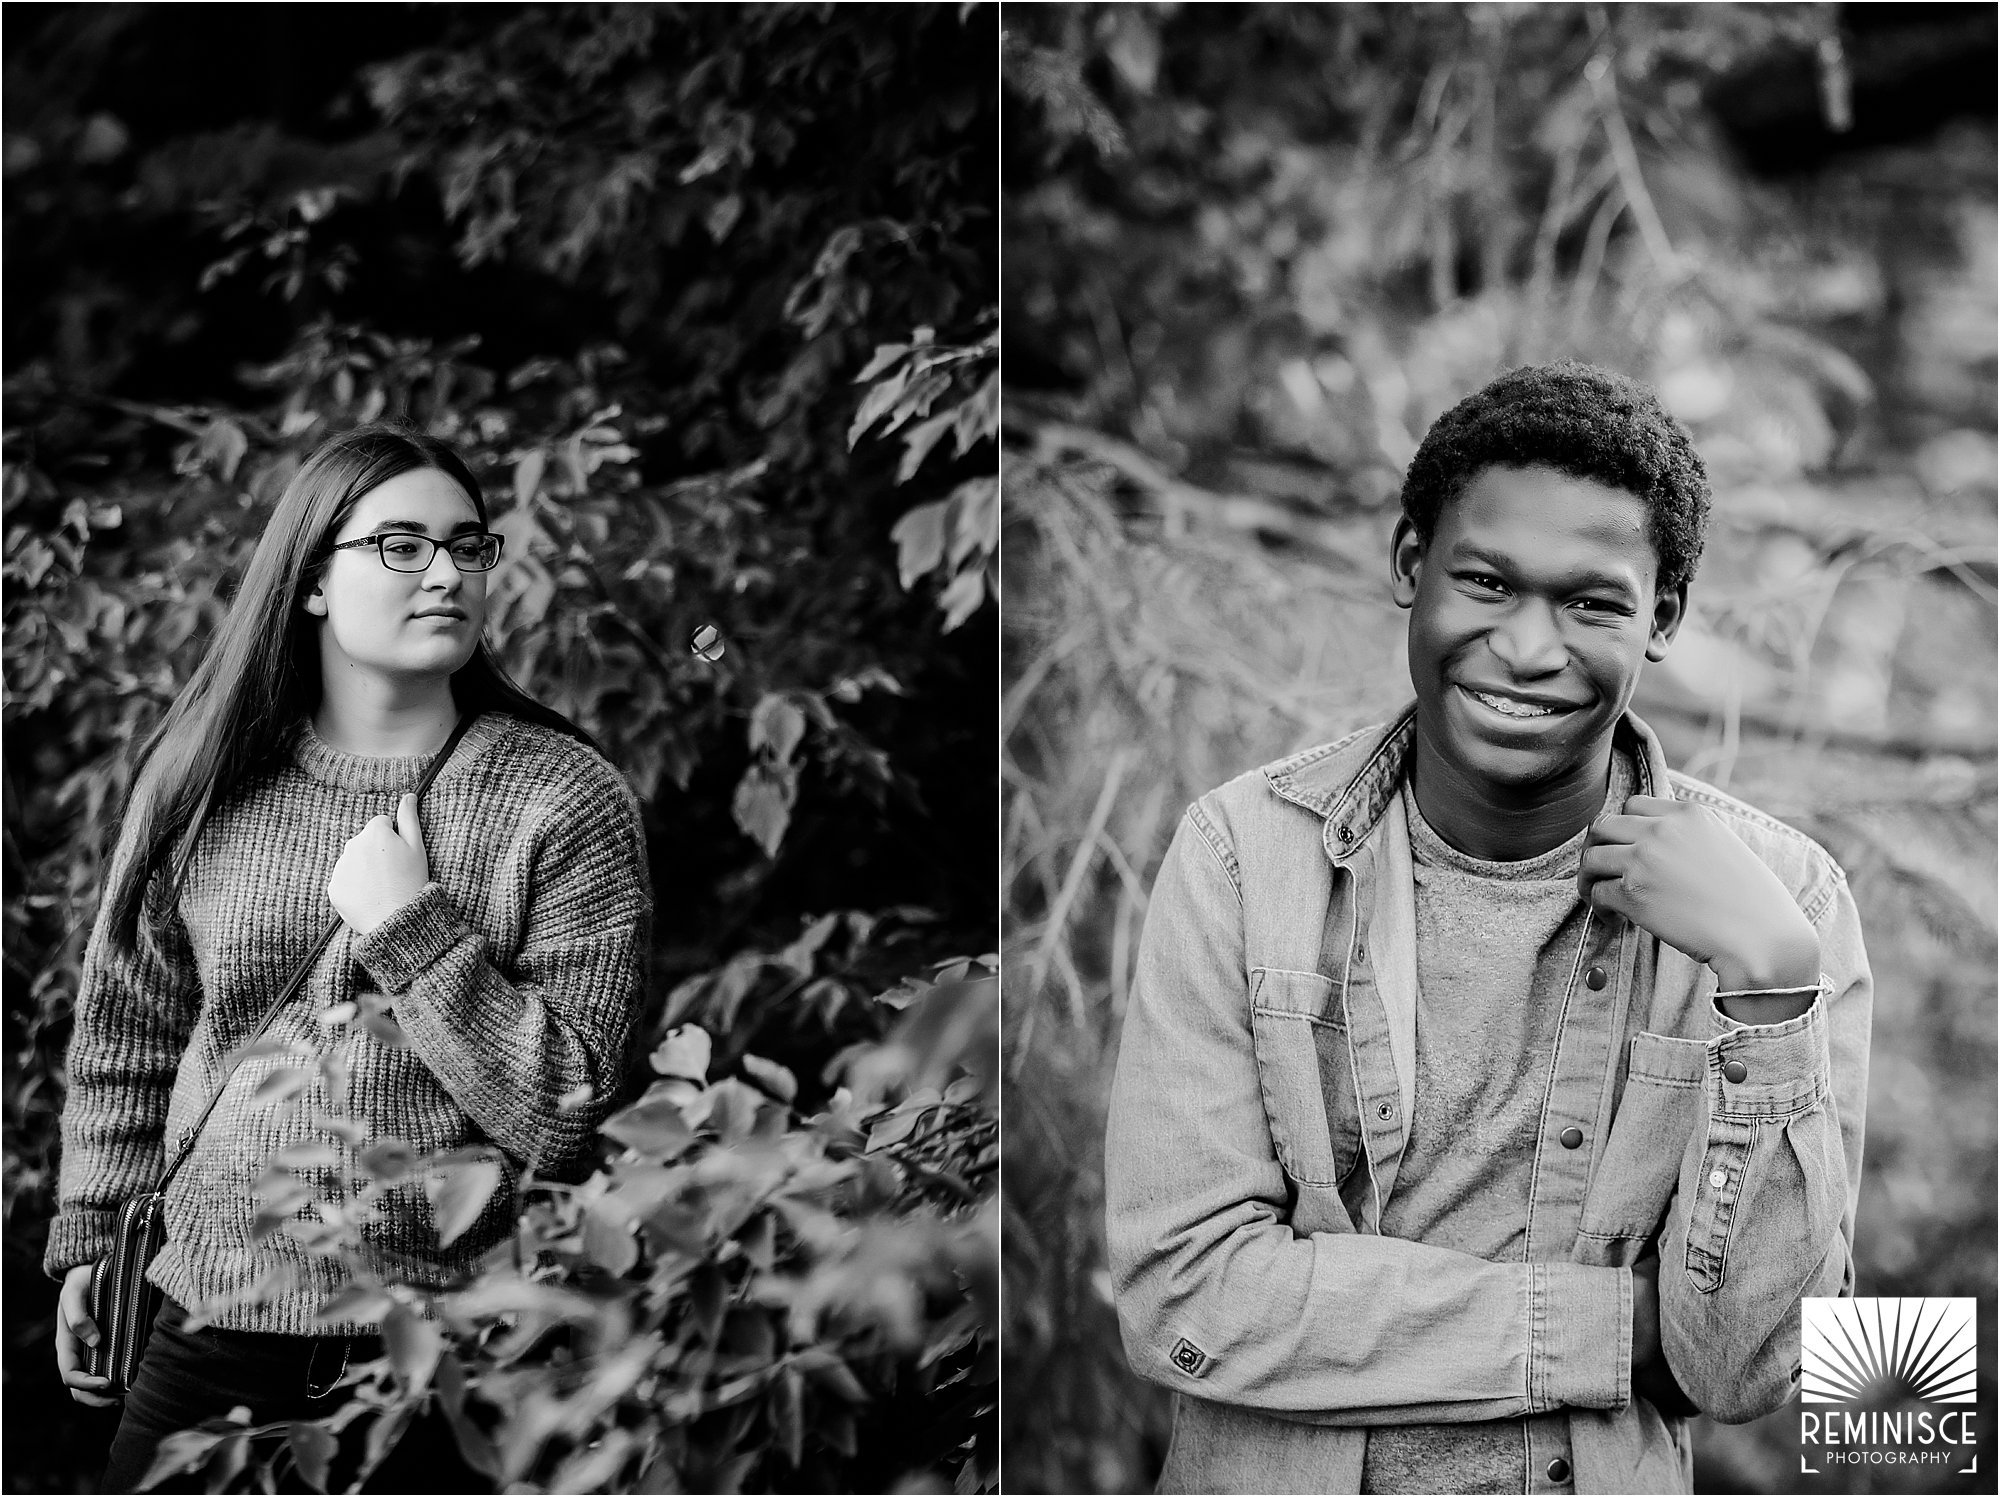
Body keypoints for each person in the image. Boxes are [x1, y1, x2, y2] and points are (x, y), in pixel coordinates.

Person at [1104, 362, 1871, 1495]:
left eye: (1589, 602)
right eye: (1487, 584)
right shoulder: (1240, 854)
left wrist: (1765, 982)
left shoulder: (1787, 904)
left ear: (1658, 620)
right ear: (1411, 569)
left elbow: (1757, 1365)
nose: (1526, 647)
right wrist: (1615, 1335)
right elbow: (1182, 1297)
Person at [47, 423, 653, 1491]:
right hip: (210, 1328)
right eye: (401, 545)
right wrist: (96, 1240)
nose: (446, 573)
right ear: (313, 579)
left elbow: (566, 1109)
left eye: (467, 546)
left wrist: (408, 926)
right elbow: (129, 1039)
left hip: (458, 1359)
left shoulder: (562, 800)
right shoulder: (201, 783)